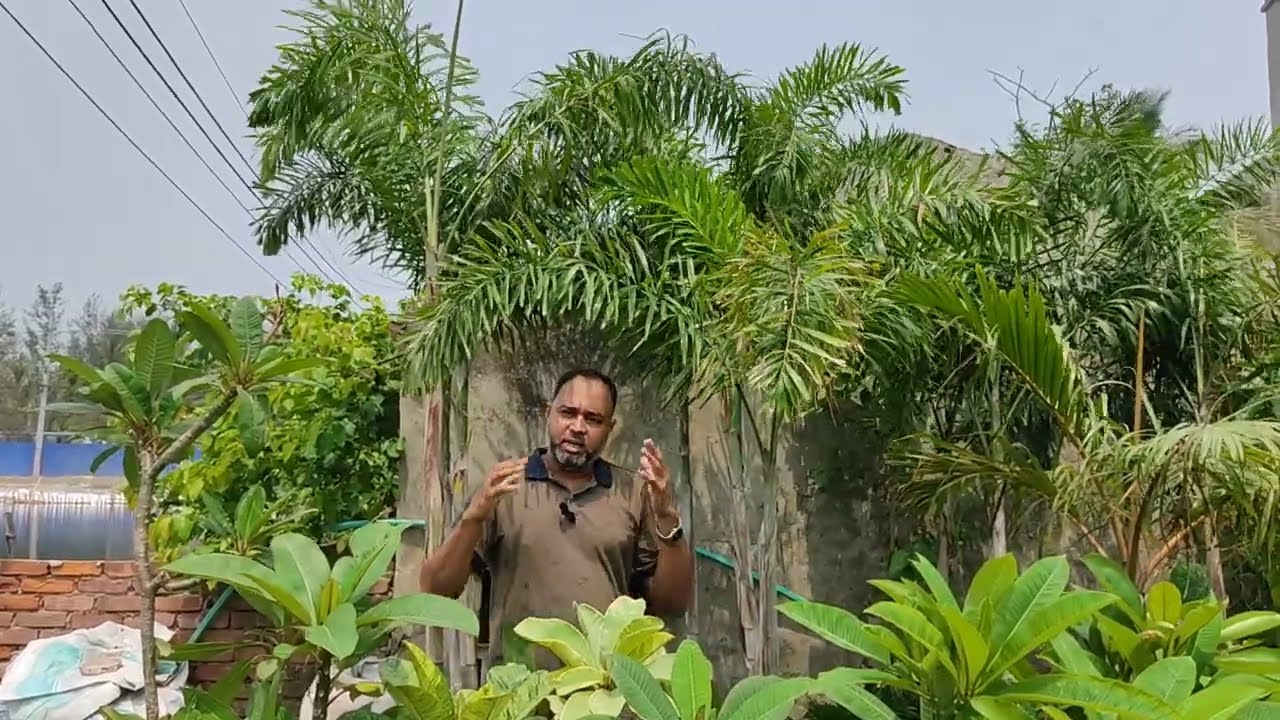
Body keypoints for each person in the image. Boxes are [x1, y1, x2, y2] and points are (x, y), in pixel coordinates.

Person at [420, 367, 695, 667]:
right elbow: (436, 589)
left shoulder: (633, 493)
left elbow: (671, 604)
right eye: (568, 413)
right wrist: (473, 518)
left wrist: (667, 516)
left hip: (604, 693)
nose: (578, 427)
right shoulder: (505, 488)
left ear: (609, 427)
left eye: (593, 419)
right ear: (547, 413)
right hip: (520, 689)